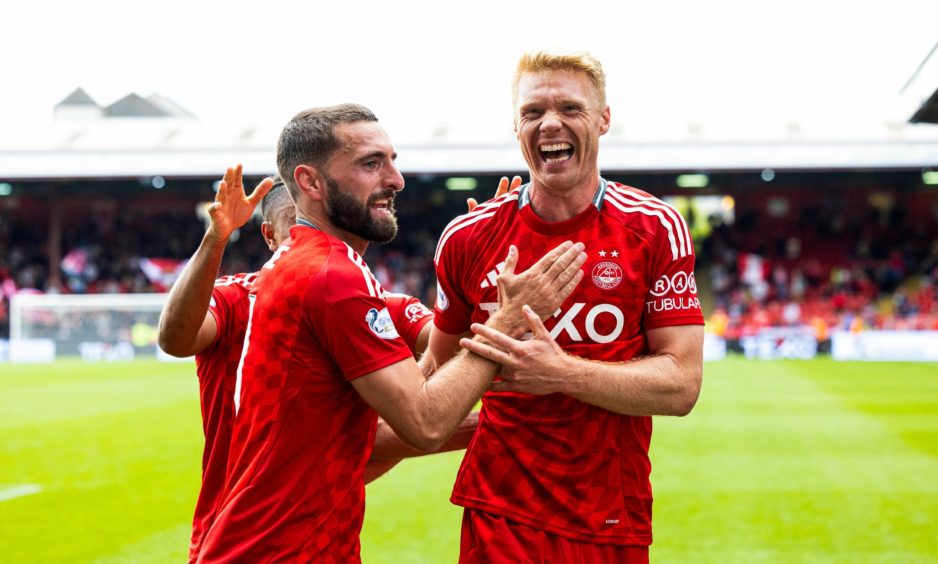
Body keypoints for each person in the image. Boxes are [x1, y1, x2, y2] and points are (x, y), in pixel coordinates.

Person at [196, 103, 585, 562]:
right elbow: (424, 422)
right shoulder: (331, 277)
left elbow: (350, 453)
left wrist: (472, 276)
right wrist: (508, 319)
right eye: (371, 163)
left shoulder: (297, 263)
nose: (396, 180)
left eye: (392, 160)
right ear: (310, 182)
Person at [158, 166, 520, 562]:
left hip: (329, 540)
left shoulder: (367, 302)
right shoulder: (234, 299)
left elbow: (450, 342)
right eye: (294, 227)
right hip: (242, 538)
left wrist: (478, 266)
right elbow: (176, 338)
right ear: (269, 236)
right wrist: (216, 238)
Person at [430, 50, 705, 563]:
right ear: (515, 125)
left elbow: (682, 386)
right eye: (532, 112)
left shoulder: (654, 228)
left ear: (603, 118)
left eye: (570, 108)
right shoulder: (466, 238)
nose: (549, 123)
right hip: (499, 512)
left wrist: (562, 374)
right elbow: (432, 390)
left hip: (609, 515)